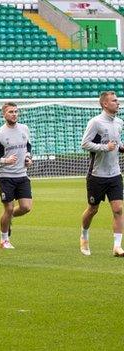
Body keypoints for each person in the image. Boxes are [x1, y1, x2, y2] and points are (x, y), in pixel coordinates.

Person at [80, 91, 123, 257]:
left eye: (117, 100)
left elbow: (116, 143)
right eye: (114, 101)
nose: (117, 103)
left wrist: (121, 147)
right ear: (105, 104)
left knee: (118, 209)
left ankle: (117, 247)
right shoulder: (95, 122)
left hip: (115, 174)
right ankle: (84, 235)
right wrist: (105, 148)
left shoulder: (119, 122)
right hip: (97, 175)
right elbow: (85, 144)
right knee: (93, 209)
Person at [0, 102, 33, 249]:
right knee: (8, 208)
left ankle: (9, 218)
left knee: (26, 207)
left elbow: (28, 146)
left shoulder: (24, 129)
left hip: (22, 175)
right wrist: (5, 160)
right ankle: (4, 240)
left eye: (16, 111)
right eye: (11, 112)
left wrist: (28, 157)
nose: (14, 114)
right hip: (6, 176)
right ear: (4, 115)